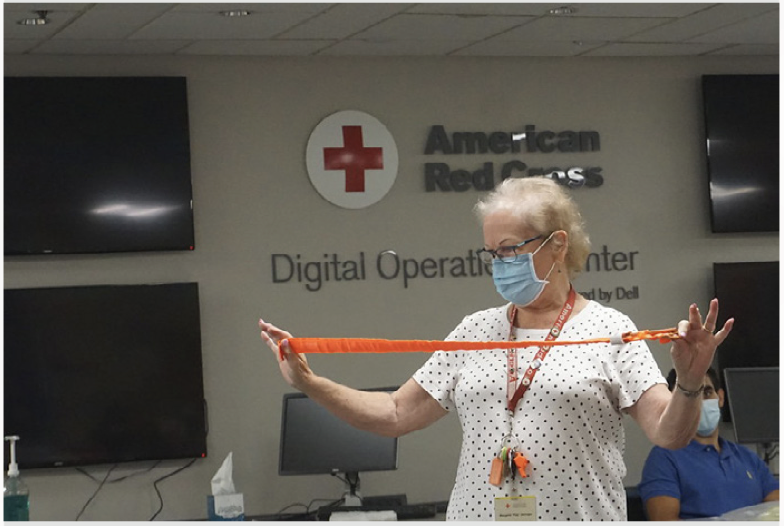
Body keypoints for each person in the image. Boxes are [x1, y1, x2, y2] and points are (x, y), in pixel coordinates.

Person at [259, 176, 734, 521]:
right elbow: (395, 413)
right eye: (491, 253)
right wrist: (311, 383)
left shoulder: (611, 329)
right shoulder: (474, 330)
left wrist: (689, 382)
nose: (498, 263)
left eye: (509, 249)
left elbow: (667, 433)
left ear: (556, 244)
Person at [638, 367, 779, 520]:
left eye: (706, 393)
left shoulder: (748, 459)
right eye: (689, 396)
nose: (699, 403)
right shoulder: (664, 459)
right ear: (674, 404)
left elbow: (776, 510)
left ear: (720, 397)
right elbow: (664, 521)